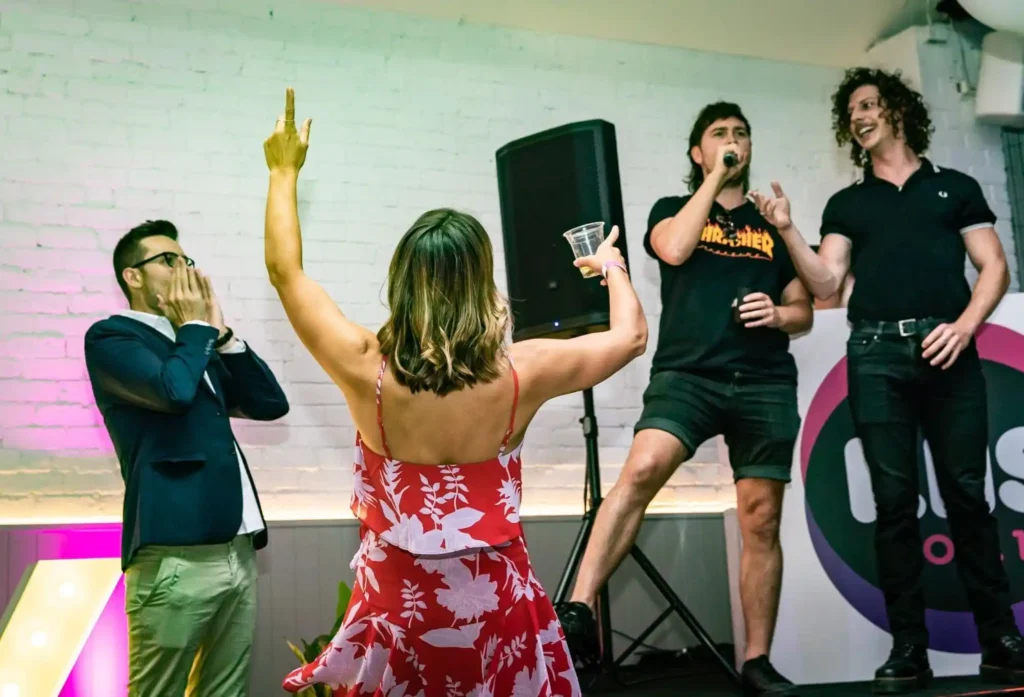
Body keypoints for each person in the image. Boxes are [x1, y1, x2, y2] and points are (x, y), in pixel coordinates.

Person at [263, 88, 646, 697]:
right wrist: (611, 268)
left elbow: (286, 272)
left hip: (400, 613)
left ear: (401, 280)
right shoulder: (523, 373)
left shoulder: (368, 370)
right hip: (494, 609)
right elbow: (629, 338)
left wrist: (283, 171)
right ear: (480, 283)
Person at [750, 67, 1024, 692]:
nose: (860, 116)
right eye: (851, 112)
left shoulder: (953, 188)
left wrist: (964, 326)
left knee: (967, 498)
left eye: (870, 104)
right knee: (895, 508)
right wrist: (789, 227)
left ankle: (1001, 640)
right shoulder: (848, 204)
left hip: (948, 352)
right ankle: (909, 648)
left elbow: (993, 265)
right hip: (875, 354)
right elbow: (825, 284)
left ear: (898, 111)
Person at [555, 101, 812, 696]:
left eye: (741, 134)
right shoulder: (673, 209)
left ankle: (756, 660)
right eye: (719, 135)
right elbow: (671, 250)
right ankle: (577, 611)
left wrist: (780, 312)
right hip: (688, 375)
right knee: (642, 468)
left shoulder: (772, 222)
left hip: (765, 380)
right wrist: (715, 181)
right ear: (698, 152)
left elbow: (804, 308)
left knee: (761, 516)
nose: (732, 140)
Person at [83, 219, 290, 696]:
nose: (184, 269)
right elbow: (172, 392)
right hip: (175, 559)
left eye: (186, 259)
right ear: (132, 276)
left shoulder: (195, 344)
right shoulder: (113, 339)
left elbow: (269, 404)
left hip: (237, 550)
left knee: (225, 691)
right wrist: (195, 328)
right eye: (168, 260)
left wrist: (222, 335)